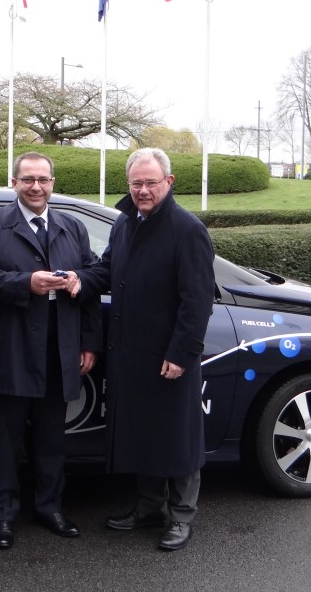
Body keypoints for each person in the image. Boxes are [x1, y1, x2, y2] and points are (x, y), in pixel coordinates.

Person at [78, 147, 215, 552]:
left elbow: (197, 301)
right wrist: (77, 281)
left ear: (168, 182)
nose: (142, 190)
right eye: (136, 183)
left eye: (150, 183)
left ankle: (181, 516)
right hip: (131, 355)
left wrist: (182, 353)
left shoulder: (187, 229)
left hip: (169, 356)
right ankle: (150, 506)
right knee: (144, 434)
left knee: (177, 438)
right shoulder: (125, 222)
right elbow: (107, 269)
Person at [0, 152, 102, 550]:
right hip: (9, 347)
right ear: (14, 183)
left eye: (43, 179)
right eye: (28, 179)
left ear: (53, 183)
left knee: (51, 438)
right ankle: (2, 515)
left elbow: (94, 277)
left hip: (59, 348)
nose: (36, 187)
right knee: (3, 441)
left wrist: (88, 338)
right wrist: (26, 282)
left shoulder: (72, 227)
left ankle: (49, 507)